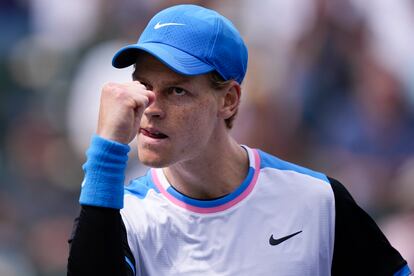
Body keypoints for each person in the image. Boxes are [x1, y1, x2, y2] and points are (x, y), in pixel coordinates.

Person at [67, 4, 411, 276]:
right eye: (144, 86)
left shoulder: (318, 202)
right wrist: (105, 152)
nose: (149, 108)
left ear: (229, 99)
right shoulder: (125, 215)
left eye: (176, 90)